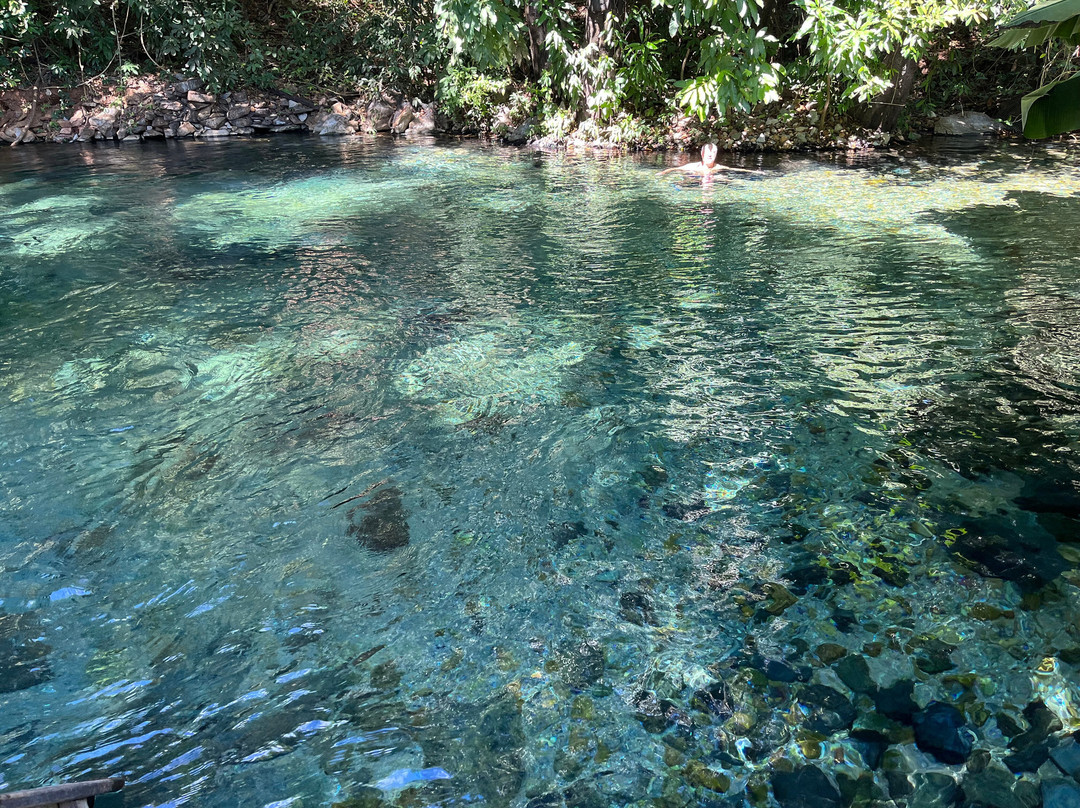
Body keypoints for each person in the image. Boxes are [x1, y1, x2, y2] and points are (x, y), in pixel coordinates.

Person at [659, 143, 757, 177]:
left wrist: (753, 172)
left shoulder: (718, 167)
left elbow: (736, 170)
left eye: (713, 153)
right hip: (696, 180)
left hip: (713, 181)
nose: (710, 155)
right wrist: (663, 173)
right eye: (707, 153)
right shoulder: (693, 166)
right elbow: (674, 169)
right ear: (702, 154)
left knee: (723, 179)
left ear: (715, 155)